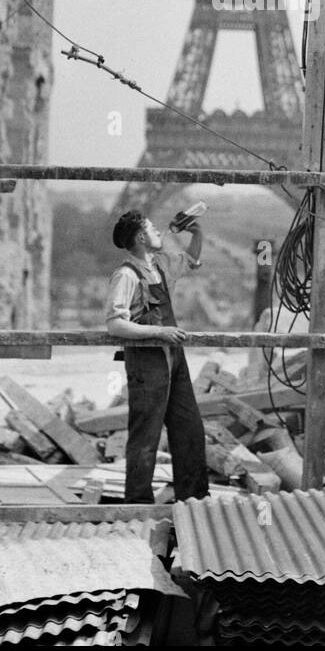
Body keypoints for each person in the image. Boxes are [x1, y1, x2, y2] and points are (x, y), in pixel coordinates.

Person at [106, 208, 209, 504]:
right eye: (153, 229)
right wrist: (158, 333)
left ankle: (194, 500)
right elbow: (114, 323)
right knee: (146, 437)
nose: (159, 232)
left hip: (173, 357)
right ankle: (138, 505)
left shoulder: (160, 266)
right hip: (147, 361)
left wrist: (197, 233)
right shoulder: (126, 275)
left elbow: (190, 261)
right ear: (141, 237)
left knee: (189, 429)